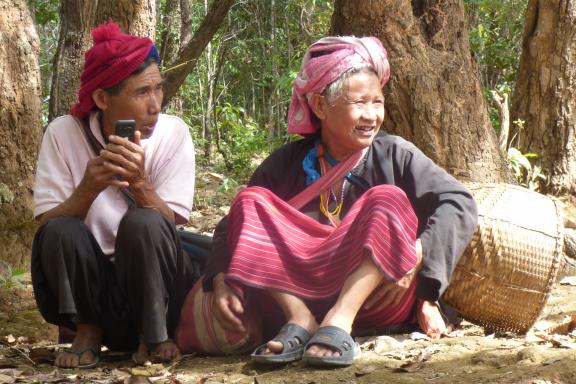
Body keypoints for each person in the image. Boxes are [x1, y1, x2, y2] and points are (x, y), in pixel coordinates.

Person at [175, 36, 478, 367]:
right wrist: (220, 279)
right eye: (359, 102)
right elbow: (233, 224)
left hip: (374, 301)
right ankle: (300, 319)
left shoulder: (395, 154)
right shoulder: (286, 163)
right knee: (250, 201)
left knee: (387, 198)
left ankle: (339, 321)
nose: (371, 115)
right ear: (320, 106)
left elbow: (458, 202)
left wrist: (418, 257)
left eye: (377, 102)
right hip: (295, 298)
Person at [31, 22, 197, 368]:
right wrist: (87, 190)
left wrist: (140, 183)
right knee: (61, 228)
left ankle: (153, 336)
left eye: (158, 89)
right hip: (92, 291)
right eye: (141, 93)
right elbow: (45, 229)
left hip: (157, 290)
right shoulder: (63, 133)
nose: (155, 104)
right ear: (103, 99)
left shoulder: (173, 133)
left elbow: (170, 228)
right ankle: (87, 332)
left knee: (144, 221)